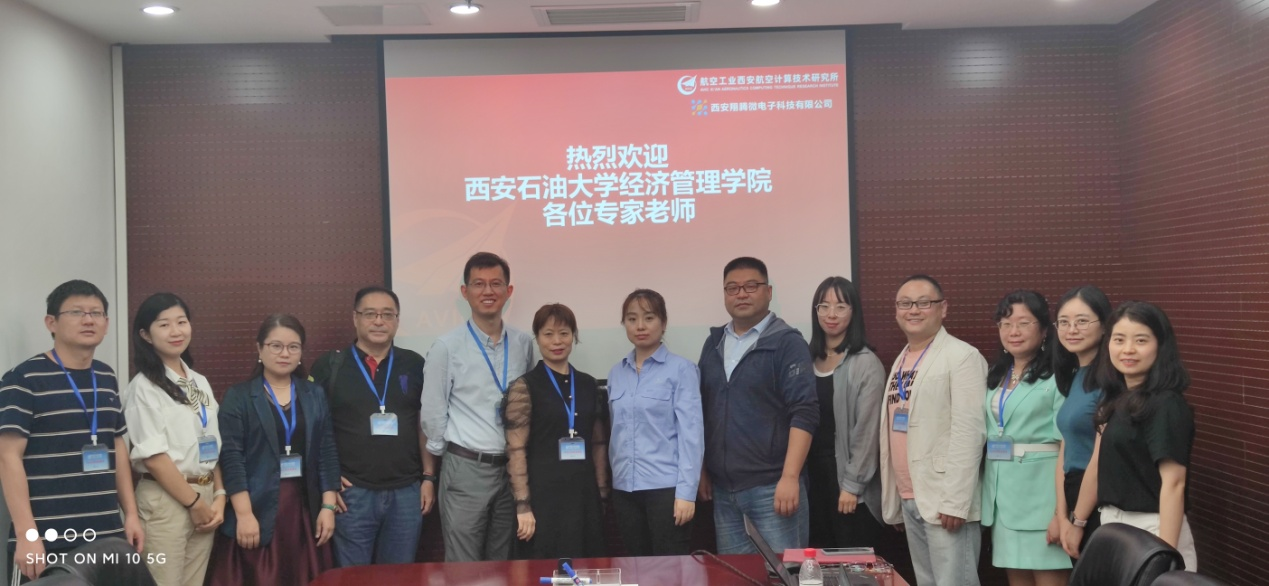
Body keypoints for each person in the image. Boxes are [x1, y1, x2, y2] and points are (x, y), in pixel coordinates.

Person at [0, 280, 144, 581]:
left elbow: (116, 445)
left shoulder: (105, 376)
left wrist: (130, 514)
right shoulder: (23, 379)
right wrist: (27, 535)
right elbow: (7, 457)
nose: (88, 320)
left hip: (107, 535)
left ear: (106, 323)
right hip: (46, 539)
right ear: (51, 323)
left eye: (96, 313)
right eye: (77, 312)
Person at [206, 314, 340, 585]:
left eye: (293, 347)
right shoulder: (239, 397)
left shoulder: (314, 394)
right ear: (259, 349)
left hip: (303, 509)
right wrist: (244, 515)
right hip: (256, 505)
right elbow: (231, 458)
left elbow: (326, 451)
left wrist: (328, 506)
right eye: (276, 346)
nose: (285, 353)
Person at [697, 257, 818, 554]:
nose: (741, 294)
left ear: (769, 291)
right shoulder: (714, 344)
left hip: (773, 488)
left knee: (783, 574)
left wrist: (790, 476)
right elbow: (703, 411)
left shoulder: (787, 342)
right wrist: (702, 469)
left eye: (751, 286)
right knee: (736, 575)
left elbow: (804, 412)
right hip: (724, 493)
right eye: (732, 288)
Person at [421, 252, 535, 561]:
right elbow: (432, 412)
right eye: (479, 284)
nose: (488, 291)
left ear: (508, 291)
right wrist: (448, 456)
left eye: (496, 284)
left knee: (503, 563)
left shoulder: (523, 343)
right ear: (465, 291)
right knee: (464, 566)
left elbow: (528, 405)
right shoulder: (447, 347)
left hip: (511, 470)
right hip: (466, 467)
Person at [1066, 301, 1197, 571]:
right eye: (1119, 339)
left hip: (1154, 528)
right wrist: (1077, 521)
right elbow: (1096, 465)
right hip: (1113, 527)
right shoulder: (1114, 399)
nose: (1128, 349)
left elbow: (1174, 484)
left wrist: (1164, 556)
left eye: (1140, 340)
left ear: (1161, 346)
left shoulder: (1166, 404)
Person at [309, 286, 432, 567]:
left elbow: (423, 423)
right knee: (352, 578)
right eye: (370, 314)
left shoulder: (414, 364)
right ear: (355, 318)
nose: (379, 321)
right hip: (352, 494)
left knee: (398, 577)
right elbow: (314, 430)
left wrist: (428, 477)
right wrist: (329, 480)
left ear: (397, 321)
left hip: (406, 492)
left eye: (387, 314)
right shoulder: (330, 366)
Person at [877, 274, 986, 586]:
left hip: (944, 498)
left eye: (923, 303)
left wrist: (956, 501)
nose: (913, 310)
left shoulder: (962, 356)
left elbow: (969, 431)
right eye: (905, 303)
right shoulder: (902, 360)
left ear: (943, 308)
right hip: (911, 495)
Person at [124, 293, 224, 586]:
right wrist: (194, 503)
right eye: (164, 324)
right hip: (167, 501)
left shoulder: (199, 381)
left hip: (205, 496)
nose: (176, 331)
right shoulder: (143, 387)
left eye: (181, 322)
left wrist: (219, 494)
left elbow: (212, 443)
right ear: (145, 335)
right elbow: (154, 458)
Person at [504, 304, 609, 559]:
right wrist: (523, 505)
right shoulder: (525, 386)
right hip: (543, 496)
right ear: (537, 338)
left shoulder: (588, 384)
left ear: (574, 336)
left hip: (584, 495)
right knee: (546, 567)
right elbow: (515, 449)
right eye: (548, 334)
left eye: (564, 333)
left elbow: (598, 443)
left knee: (586, 565)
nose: (557, 341)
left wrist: (602, 492)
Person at [979, 290, 1070, 585]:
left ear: (1044, 330)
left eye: (1023, 323)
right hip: (1002, 500)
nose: (1013, 331)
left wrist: (1060, 513)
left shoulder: (1058, 376)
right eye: (1005, 324)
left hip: (1041, 500)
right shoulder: (997, 374)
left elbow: (1068, 446)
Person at [607, 289, 704, 556]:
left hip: (666, 490)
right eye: (632, 319)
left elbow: (691, 436)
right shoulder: (616, 373)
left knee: (668, 569)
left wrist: (686, 493)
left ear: (663, 322)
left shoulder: (682, 369)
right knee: (634, 567)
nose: (640, 326)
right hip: (624, 490)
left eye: (649, 318)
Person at [805, 277, 886, 549]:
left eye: (840, 306)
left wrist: (852, 485)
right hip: (812, 478)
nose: (831, 314)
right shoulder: (806, 359)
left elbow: (867, 432)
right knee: (817, 560)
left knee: (851, 561)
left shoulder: (865, 363)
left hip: (847, 481)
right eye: (824, 306)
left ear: (854, 312)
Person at [1049, 285, 1111, 559]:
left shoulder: (1110, 380)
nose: (1071, 329)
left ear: (1105, 325)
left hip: (1098, 499)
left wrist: (1078, 521)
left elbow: (1100, 458)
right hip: (1074, 493)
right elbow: (1067, 449)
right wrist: (1061, 515)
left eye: (1082, 321)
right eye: (1064, 322)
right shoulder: (1076, 375)